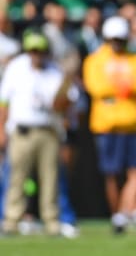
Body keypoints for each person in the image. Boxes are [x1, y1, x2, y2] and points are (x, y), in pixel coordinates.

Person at [0, 30, 77, 236]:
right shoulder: (16, 68)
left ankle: (52, 221)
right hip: (22, 131)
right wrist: (1, 128)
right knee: (16, 177)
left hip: (48, 131)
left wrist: (67, 83)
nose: (36, 55)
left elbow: (62, 104)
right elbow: (4, 101)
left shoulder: (54, 71)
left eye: (40, 50)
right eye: (33, 50)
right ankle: (11, 221)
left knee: (50, 178)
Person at [82, 16, 136, 234]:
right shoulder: (95, 60)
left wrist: (117, 90)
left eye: (120, 39)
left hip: (134, 124)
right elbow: (97, 88)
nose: (116, 44)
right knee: (111, 173)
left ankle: (126, 214)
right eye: (113, 39)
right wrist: (127, 88)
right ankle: (118, 215)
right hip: (107, 126)